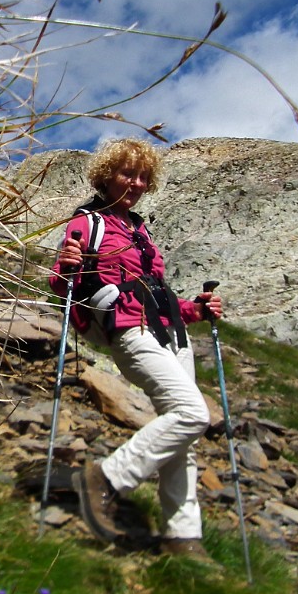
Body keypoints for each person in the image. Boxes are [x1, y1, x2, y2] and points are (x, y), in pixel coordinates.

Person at [49, 136, 224, 557]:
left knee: (182, 437)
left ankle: (183, 538)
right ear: (108, 176)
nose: (137, 182)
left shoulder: (141, 229)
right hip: (130, 330)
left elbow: (157, 294)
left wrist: (197, 309)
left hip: (172, 335)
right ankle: (106, 479)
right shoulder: (86, 223)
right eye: (128, 173)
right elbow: (62, 285)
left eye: (144, 176)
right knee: (192, 413)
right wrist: (65, 269)